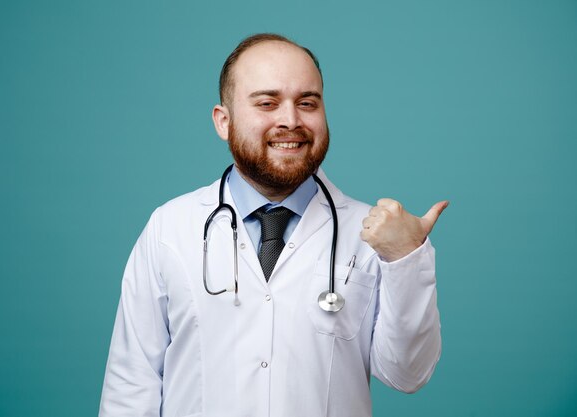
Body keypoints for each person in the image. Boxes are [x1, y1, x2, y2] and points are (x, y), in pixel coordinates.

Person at [99, 33, 447, 417]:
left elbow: (407, 374)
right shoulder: (170, 228)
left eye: (307, 103)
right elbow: (131, 385)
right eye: (267, 103)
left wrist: (404, 260)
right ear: (223, 121)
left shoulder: (374, 235)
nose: (291, 120)